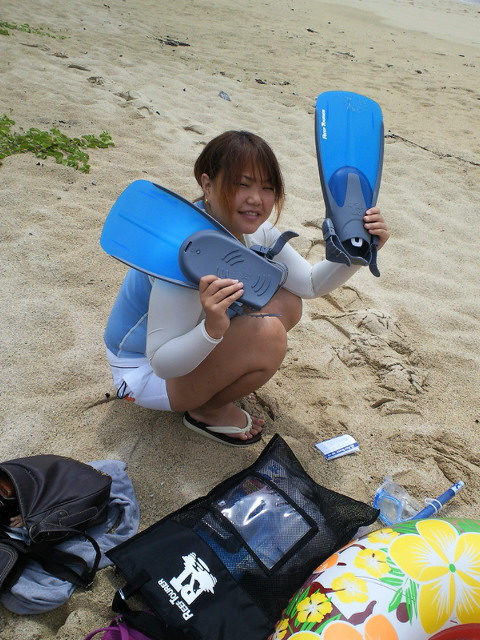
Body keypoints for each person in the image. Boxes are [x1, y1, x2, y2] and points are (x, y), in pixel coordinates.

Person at [104, 130, 390, 446]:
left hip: (182, 349)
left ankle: (214, 380)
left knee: (287, 301)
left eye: (267, 188)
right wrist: (213, 329)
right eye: (243, 185)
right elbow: (162, 363)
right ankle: (206, 409)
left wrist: (358, 253)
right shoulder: (187, 254)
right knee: (267, 335)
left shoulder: (254, 230)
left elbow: (308, 284)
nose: (256, 199)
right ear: (207, 184)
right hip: (142, 374)